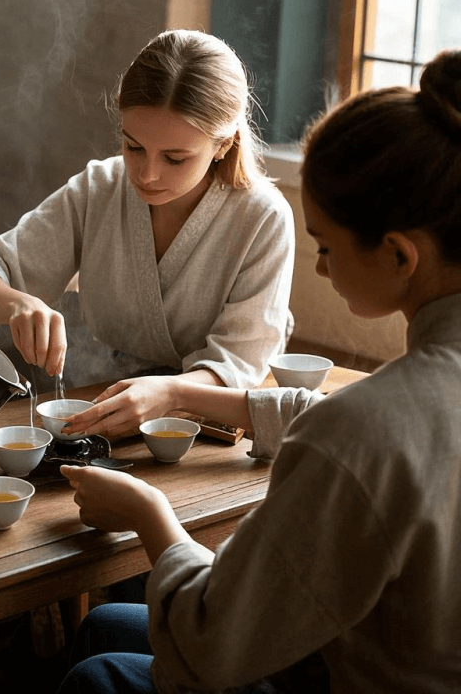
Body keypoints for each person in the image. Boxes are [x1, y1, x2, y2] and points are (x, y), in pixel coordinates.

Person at [56, 48, 461, 694]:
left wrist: (150, 514)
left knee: (99, 674)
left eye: (324, 245)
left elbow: (213, 639)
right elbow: (362, 425)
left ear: (398, 255)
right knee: (108, 625)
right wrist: (189, 396)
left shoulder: (367, 430)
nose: (321, 269)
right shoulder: (400, 405)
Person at [0, 30, 295, 437]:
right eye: (133, 146)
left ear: (223, 144)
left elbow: (240, 361)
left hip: (205, 428)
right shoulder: (101, 189)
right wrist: (16, 304)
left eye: (175, 158)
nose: (146, 174)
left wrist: (171, 393)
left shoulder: (262, 219)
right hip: (95, 407)